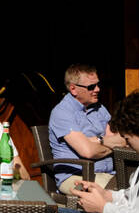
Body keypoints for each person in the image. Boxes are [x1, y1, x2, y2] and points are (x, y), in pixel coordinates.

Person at [49, 63, 126, 192]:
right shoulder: (62, 113)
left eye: (97, 85)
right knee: (123, 195)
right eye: (91, 86)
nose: (97, 89)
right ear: (73, 89)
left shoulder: (99, 108)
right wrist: (108, 143)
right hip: (77, 179)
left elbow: (122, 140)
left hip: (109, 173)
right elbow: (88, 152)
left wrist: (97, 141)